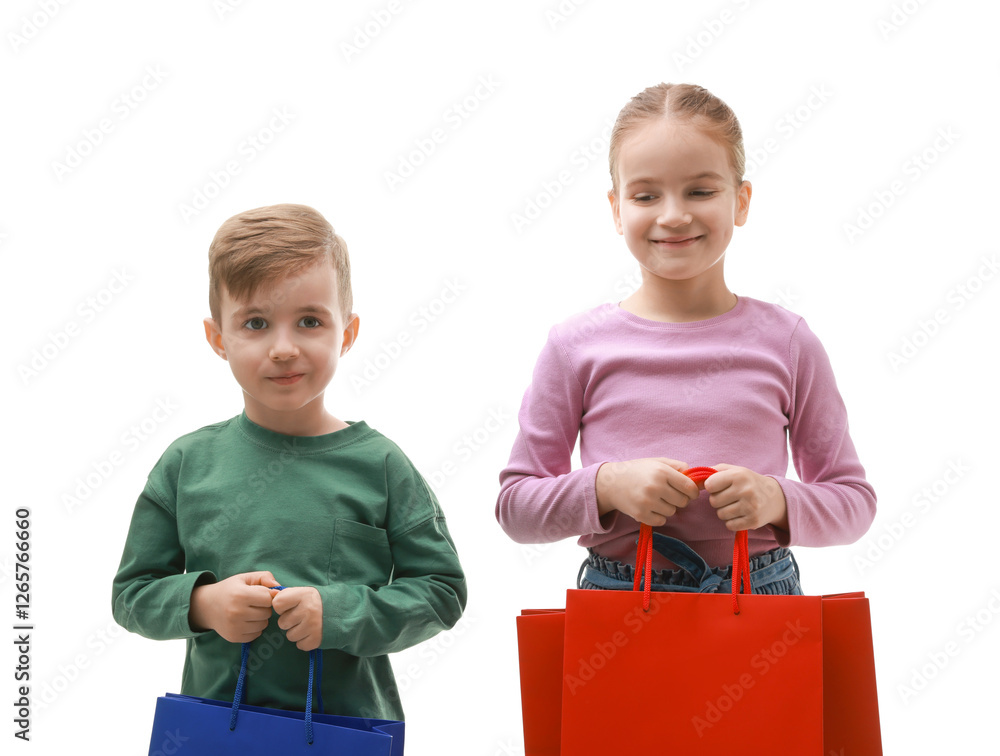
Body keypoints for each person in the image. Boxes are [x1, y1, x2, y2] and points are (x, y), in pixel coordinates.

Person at [496, 83, 875, 595]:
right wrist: (606, 486)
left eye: (700, 190)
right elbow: (516, 508)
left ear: (740, 201)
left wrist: (777, 500)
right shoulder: (574, 347)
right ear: (616, 208)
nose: (673, 215)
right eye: (646, 195)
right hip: (619, 604)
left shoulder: (788, 342)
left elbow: (854, 502)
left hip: (760, 598)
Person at [112, 203, 466, 719]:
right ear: (218, 338)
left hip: (347, 735)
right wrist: (204, 603)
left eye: (309, 321)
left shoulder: (383, 466)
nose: (283, 348)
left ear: (346, 333)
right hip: (216, 735)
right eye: (255, 322)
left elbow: (441, 592)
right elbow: (131, 594)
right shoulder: (187, 464)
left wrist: (342, 612)